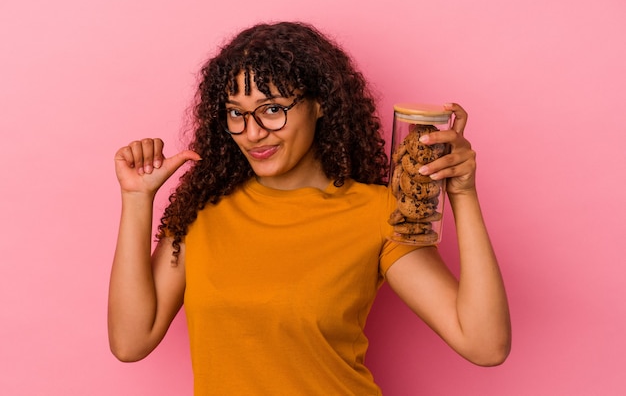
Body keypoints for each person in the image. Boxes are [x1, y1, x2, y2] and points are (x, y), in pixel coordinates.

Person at [108, 21, 511, 395]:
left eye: (272, 109)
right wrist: (137, 200)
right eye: (236, 113)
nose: (252, 133)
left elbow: (483, 344)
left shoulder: (378, 212)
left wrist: (462, 194)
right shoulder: (202, 211)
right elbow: (130, 341)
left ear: (320, 104)